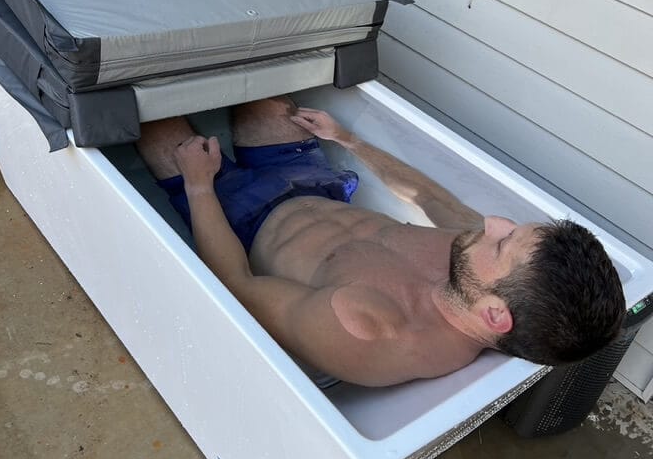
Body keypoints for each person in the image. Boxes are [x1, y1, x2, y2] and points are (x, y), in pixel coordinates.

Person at [136, 96, 626, 387]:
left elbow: (235, 284)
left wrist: (199, 184)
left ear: (495, 315)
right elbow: (429, 196)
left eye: (504, 242)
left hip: (236, 217)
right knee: (260, 88)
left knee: (150, 110)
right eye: (511, 228)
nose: (494, 221)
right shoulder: (476, 266)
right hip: (311, 180)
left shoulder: (369, 332)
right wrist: (348, 140)